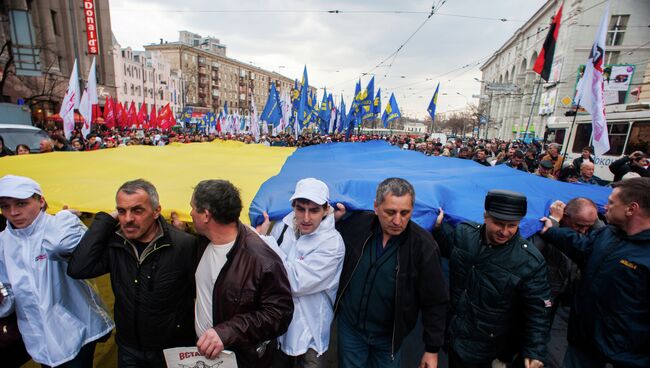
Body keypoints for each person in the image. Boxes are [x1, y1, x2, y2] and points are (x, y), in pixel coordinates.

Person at [68, 179, 198, 367]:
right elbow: (79, 268)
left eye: (137, 210)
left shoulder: (183, 244)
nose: (128, 219)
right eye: (121, 211)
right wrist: (106, 220)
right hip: (129, 347)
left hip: (172, 350)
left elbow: (200, 293)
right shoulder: (115, 243)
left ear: (156, 211)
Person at [0, 175, 114, 367]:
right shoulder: (3, 241)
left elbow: (61, 247)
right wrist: (3, 297)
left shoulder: (58, 227)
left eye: (21, 203)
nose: (13, 212)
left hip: (76, 328)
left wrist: (65, 218)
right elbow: (9, 289)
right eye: (4, 206)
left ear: (41, 201)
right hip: (37, 335)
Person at [334, 178, 448, 368]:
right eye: (390, 212)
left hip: (389, 339)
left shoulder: (424, 247)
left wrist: (432, 349)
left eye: (405, 213)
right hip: (351, 330)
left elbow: (435, 301)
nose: (397, 221)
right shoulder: (356, 226)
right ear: (376, 207)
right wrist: (334, 219)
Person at [539, 177, 650, 367]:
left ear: (631, 209)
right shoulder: (610, 234)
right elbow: (582, 246)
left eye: (611, 203)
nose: (605, 207)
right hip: (583, 345)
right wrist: (552, 231)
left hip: (622, 358)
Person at [434, 190, 551, 368]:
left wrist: (535, 351)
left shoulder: (529, 261)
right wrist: (437, 227)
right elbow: (446, 247)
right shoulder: (464, 234)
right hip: (454, 337)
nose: (504, 232)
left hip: (489, 350)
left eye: (512, 225)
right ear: (485, 216)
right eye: (498, 223)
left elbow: (538, 312)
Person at [190, 179, 293, 367]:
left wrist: (227, 332)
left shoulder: (263, 260)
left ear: (205, 215)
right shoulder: (202, 242)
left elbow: (279, 314)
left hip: (241, 360)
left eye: (192, 208)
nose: (189, 213)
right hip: (204, 357)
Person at [255, 178, 345, 367]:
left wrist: (263, 241)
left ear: (325, 210)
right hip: (278, 328)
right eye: (300, 209)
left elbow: (294, 282)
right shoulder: (281, 228)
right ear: (293, 207)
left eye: (313, 210)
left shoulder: (332, 243)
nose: (306, 218)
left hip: (310, 331)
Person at [531, 198, 602, 368]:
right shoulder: (547, 225)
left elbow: (604, 237)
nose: (584, 232)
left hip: (564, 299)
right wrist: (554, 223)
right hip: (543, 297)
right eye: (579, 225)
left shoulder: (588, 236)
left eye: (588, 226)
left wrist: (595, 219)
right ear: (565, 216)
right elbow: (533, 249)